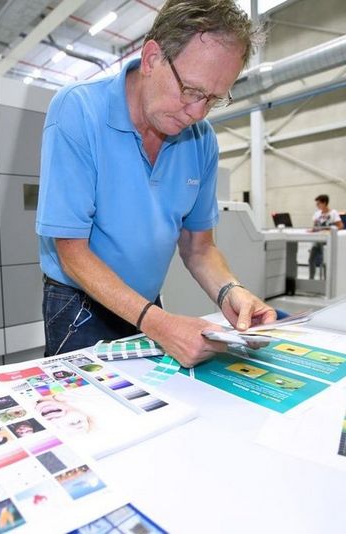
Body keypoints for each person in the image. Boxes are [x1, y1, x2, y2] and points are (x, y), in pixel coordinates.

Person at [36, 0, 275, 367]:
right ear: (151, 59)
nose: (197, 112)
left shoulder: (201, 139)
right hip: (79, 304)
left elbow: (199, 248)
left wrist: (232, 291)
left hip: (148, 304)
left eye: (213, 99)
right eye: (192, 91)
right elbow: (72, 251)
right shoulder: (79, 110)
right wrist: (160, 325)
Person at [308, 194, 344, 279]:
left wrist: (329, 230)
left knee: (326, 262)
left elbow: (341, 226)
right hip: (317, 240)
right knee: (311, 260)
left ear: (324, 203)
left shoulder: (333, 213)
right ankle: (311, 279)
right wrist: (312, 230)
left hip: (327, 242)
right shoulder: (317, 214)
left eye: (318, 203)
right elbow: (315, 226)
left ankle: (327, 281)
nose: (317, 206)